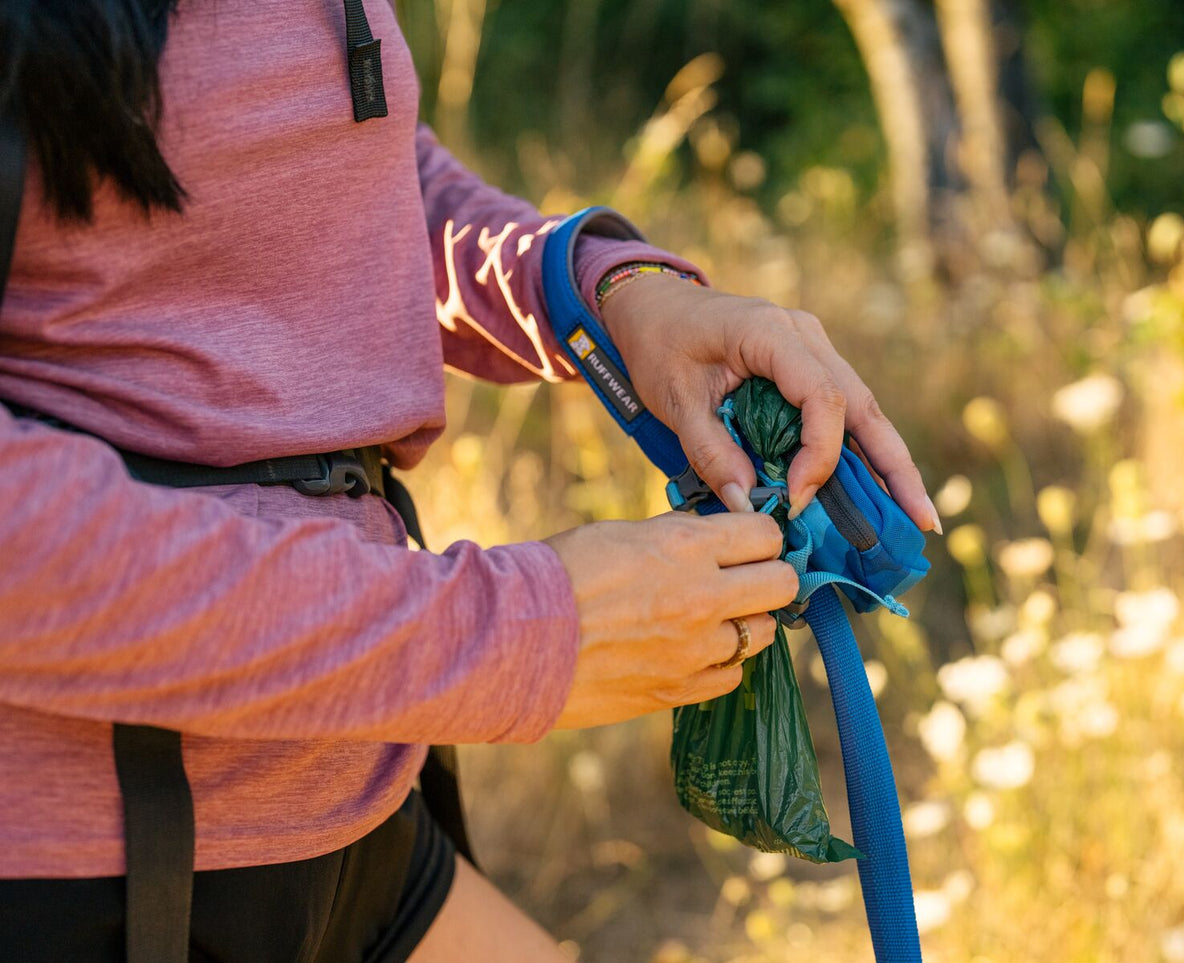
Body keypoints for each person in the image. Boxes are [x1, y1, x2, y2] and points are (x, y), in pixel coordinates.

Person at [0, 1, 940, 960]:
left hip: (351, 800)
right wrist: (517, 635)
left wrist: (602, 291)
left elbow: (343, 172)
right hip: (86, 868)